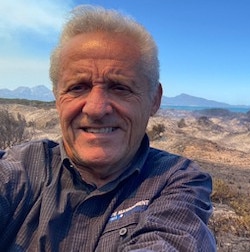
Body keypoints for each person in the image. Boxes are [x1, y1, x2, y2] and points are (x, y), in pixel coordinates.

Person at [0, 5, 216, 251]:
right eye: (77, 87)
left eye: (120, 88)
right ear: (57, 98)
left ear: (154, 99)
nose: (96, 108)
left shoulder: (176, 181)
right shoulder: (21, 170)